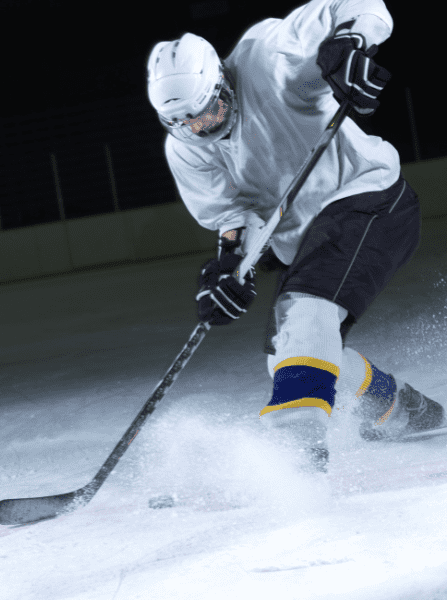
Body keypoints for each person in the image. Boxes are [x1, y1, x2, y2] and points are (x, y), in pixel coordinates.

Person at [145, 0, 443, 472]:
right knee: (286, 353)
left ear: (222, 79)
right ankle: (401, 409)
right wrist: (227, 266)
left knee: (307, 311)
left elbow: (361, 5)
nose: (201, 128)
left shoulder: (270, 57)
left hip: (369, 198)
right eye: (184, 123)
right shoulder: (187, 148)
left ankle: (298, 446)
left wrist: (350, 43)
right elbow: (232, 215)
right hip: (307, 240)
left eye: (208, 110)